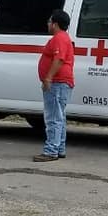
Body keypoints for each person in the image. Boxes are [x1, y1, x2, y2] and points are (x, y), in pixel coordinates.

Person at [34, 9, 75, 163]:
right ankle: (59, 148)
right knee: (60, 116)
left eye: (50, 21)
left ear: (55, 24)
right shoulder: (63, 38)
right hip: (62, 82)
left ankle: (51, 150)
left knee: (53, 117)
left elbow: (59, 59)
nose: (48, 24)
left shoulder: (59, 38)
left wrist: (48, 78)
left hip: (57, 82)